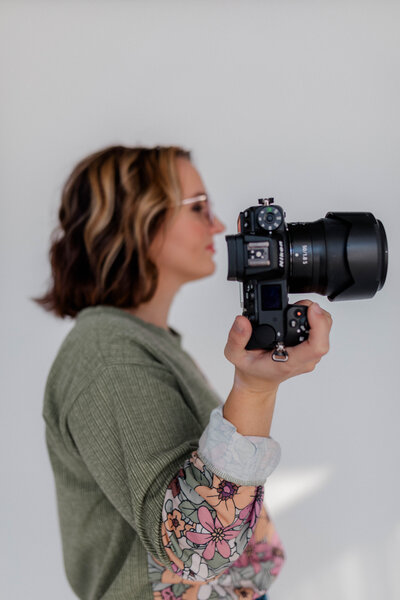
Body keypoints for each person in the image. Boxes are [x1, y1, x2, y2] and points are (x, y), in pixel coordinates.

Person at [35, 145, 332, 600]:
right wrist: (253, 389)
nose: (217, 225)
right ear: (137, 219)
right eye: (198, 208)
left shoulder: (143, 342)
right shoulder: (109, 355)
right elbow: (194, 550)